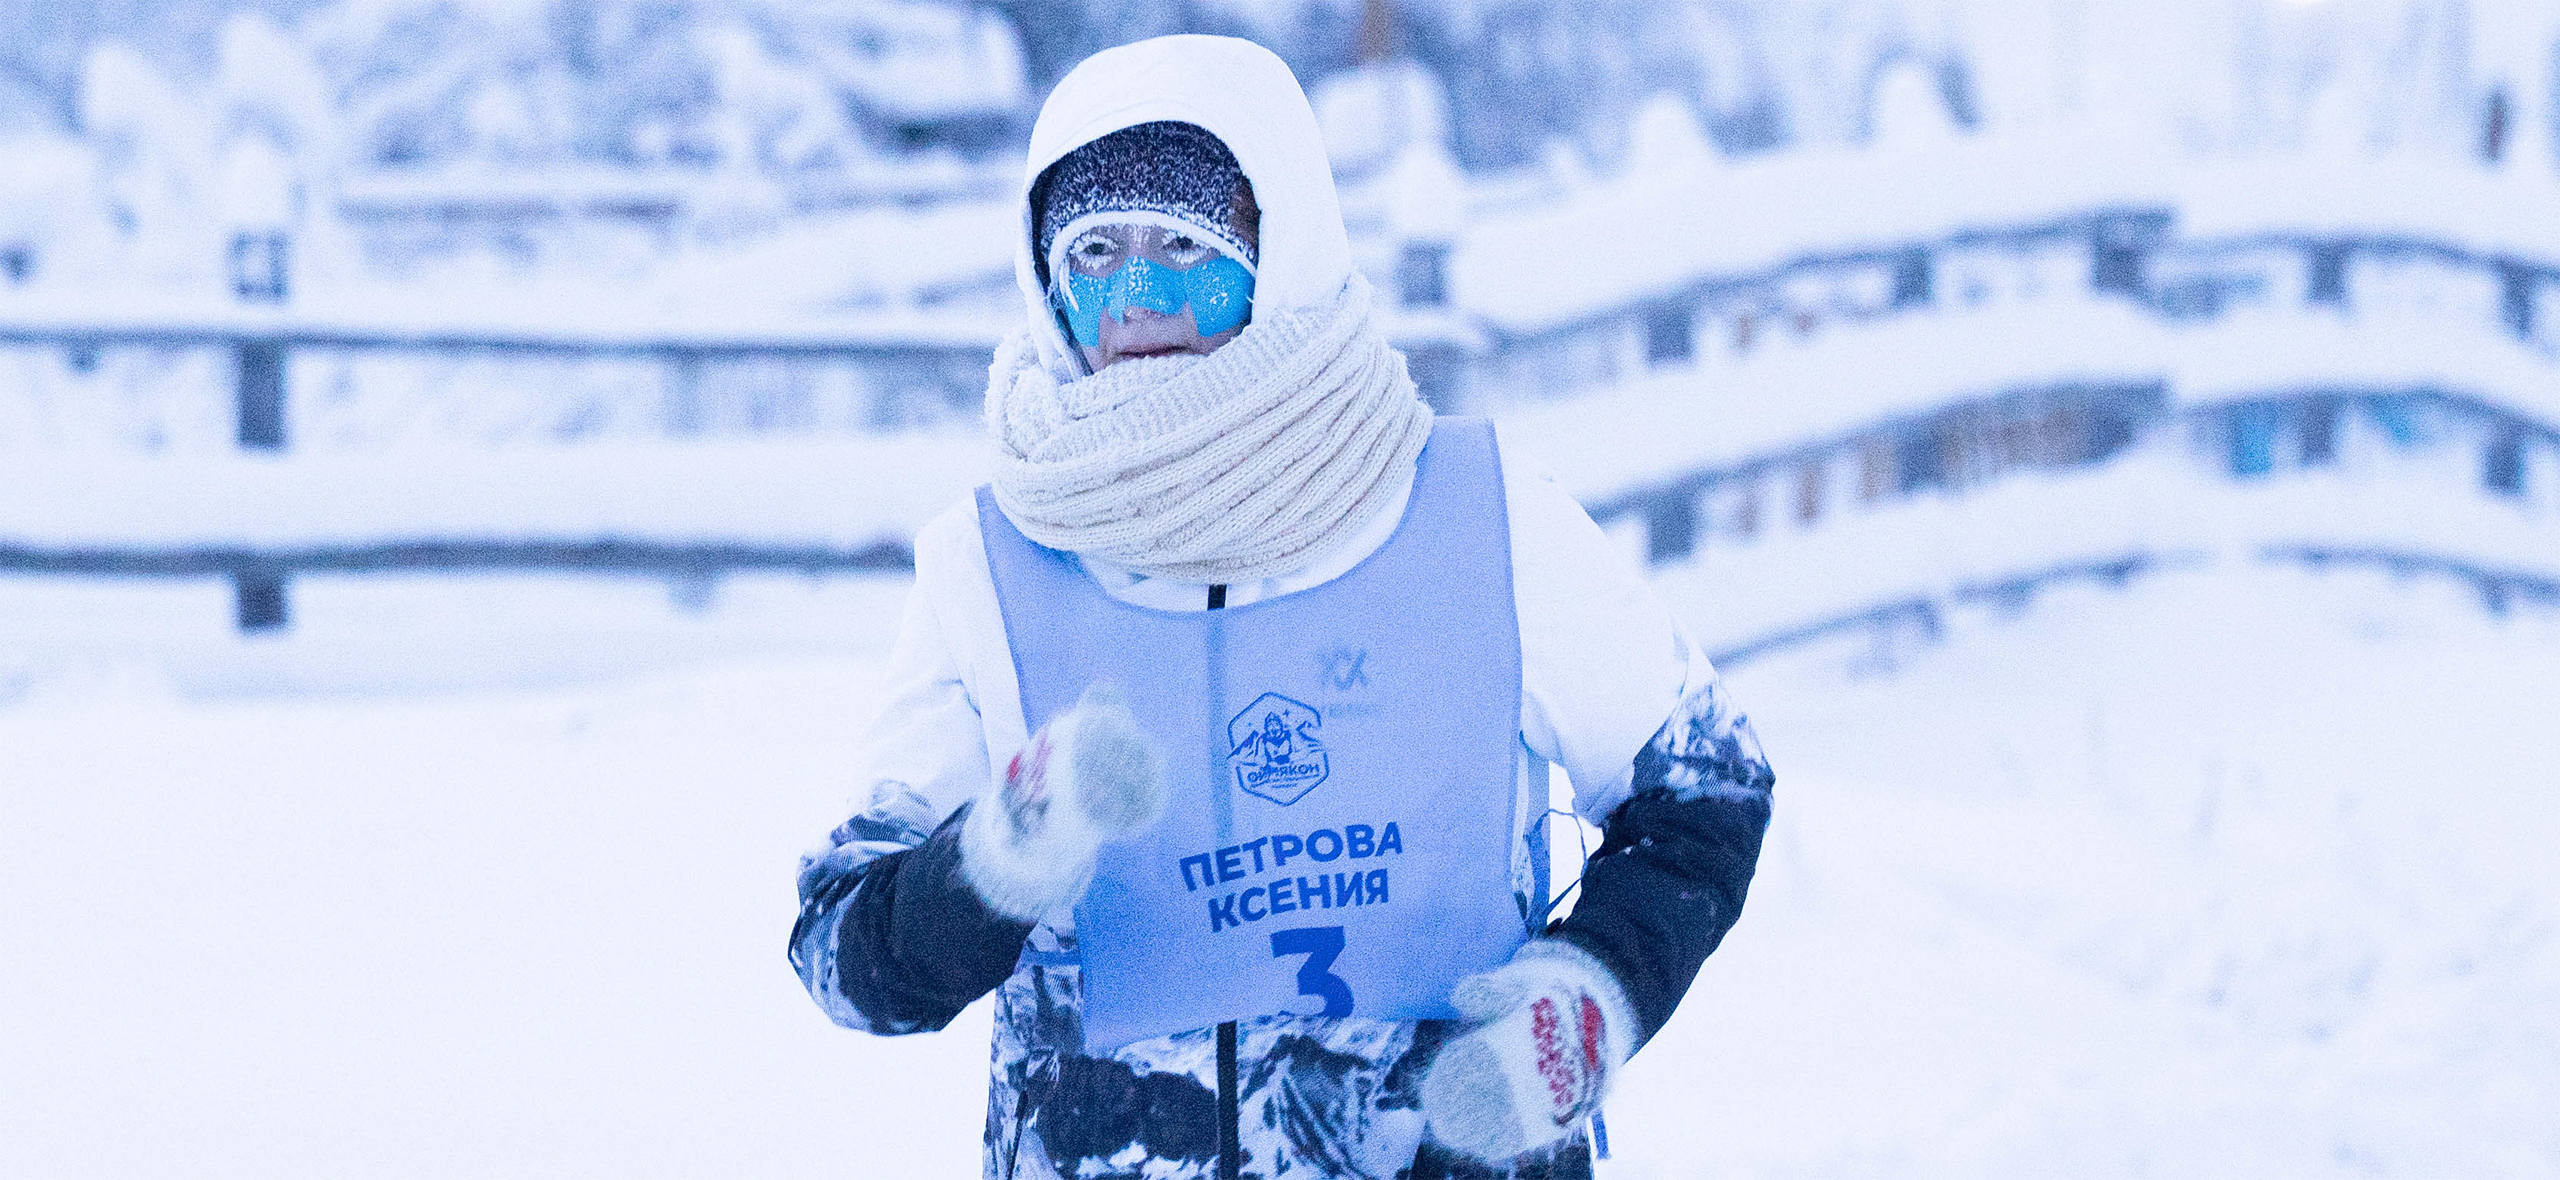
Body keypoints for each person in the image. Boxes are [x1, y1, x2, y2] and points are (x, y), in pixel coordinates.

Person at [790, 34, 1774, 1180]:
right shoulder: (988, 567)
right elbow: (844, 958)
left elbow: (1703, 790)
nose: (1137, 295)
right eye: (1095, 250)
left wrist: (1582, 1003)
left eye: (1184, 245)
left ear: (1279, 251)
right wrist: (994, 865)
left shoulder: (1479, 517)